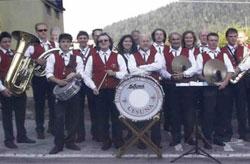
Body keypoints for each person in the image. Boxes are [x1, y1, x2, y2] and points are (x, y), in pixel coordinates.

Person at [84, 33, 127, 150]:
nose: (103, 42)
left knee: (116, 117)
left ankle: (118, 140)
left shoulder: (117, 56)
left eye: (106, 40)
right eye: (101, 41)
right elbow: (86, 75)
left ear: (110, 42)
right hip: (100, 92)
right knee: (102, 118)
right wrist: (93, 87)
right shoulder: (92, 57)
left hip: (115, 91)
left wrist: (115, 73)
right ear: (98, 44)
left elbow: (125, 73)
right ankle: (106, 140)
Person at [47, 33, 84, 154]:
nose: (65, 44)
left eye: (68, 42)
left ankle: (70, 142)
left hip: (74, 92)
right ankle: (58, 144)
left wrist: (75, 74)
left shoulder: (77, 57)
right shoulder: (53, 57)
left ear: (71, 44)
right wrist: (58, 81)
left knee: (73, 117)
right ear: (59, 43)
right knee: (59, 118)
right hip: (58, 91)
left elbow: (81, 73)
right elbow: (48, 74)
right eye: (63, 41)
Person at [196, 32, 234, 148]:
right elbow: (198, 73)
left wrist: (225, 82)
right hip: (208, 89)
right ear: (207, 41)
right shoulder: (201, 55)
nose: (213, 42)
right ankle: (207, 139)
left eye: (215, 40)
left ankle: (218, 137)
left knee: (221, 113)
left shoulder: (223, 54)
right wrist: (207, 80)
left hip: (222, 88)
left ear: (217, 41)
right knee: (208, 114)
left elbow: (230, 71)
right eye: (211, 40)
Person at [160, 32, 197, 147]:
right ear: (169, 41)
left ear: (181, 40)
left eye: (177, 39)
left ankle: (189, 137)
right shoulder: (164, 52)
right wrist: (170, 76)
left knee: (188, 112)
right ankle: (175, 138)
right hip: (171, 86)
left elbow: (195, 67)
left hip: (186, 86)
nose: (175, 41)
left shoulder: (188, 51)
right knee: (174, 112)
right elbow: (162, 69)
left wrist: (184, 74)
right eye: (173, 39)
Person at [0, 32, 36, 149]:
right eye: (4, 42)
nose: (7, 44)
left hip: (19, 90)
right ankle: (9, 139)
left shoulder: (15, 53)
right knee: (7, 116)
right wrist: (2, 89)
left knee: (21, 114)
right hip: (6, 90)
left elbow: (23, 69)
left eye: (9, 41)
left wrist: (26, 79)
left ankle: (22, 136)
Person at [128, 34, 164, 148]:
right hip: (139, 89)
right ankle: (143, 140)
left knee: (156, 115)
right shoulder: (133, 56)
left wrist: (142, 68)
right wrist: (148, 69)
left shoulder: (157, 54)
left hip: (155, 88)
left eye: (147, 41)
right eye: (143, 41)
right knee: (142, 114)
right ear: (139, 42)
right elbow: (132, 70)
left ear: (150, 42)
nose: (145, 43)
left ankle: (156, 141)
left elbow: (159, 66)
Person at [25, 22, 56, 139]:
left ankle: (52, 127)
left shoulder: (54, 44)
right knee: (39, 105)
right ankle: (39, 129)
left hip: (52, 79)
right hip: (38, 79)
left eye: (44, 30)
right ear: (36, 32)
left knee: (53, 104)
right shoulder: (31, 46)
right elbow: (25, 61)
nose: (43, 32)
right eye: (40, 30)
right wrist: (35, 60)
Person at [220, 28, 250, 142]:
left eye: (235, 36)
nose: (233, 38)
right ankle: (227, 133)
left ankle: (243, 132)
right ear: (227, 38)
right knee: (227, 109)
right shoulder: (222, 50)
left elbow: (248, 63)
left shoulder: (245, 49)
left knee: (241, 108)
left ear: (237, 37)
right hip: (228, 81)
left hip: (241, 81)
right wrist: (230, 74)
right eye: (231, 36)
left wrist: (238, 70)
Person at [73, 31, 95, 142]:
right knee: (78, 109)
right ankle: (80, 135)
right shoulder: (73, 52)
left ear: (87, 39)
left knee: (94, 108)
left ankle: (96, 133)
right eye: (80, 38)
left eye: (84, 38)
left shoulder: (94, 51)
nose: (82, 40)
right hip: (78, 83)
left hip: (91, 82)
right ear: (77, 40)